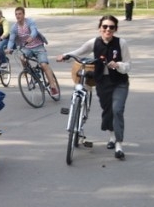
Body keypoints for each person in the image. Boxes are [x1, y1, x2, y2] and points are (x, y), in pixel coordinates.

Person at [56, 15, 131, 160]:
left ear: (115, 29)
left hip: (119, 82)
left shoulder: (121, 43)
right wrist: (65, 55)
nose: (107, 29)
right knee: (108, 110)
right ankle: (111, 135)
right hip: (102, 81)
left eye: (111, 27)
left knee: (117, 110)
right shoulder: (94, 42)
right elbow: (79, 52)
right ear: (100, 28)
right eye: (105, 27)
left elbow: (128, 64)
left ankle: (118, 145)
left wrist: (118, 65)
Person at [6, 6, 59, 96]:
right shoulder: (14, 27)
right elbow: (11, 40)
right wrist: (8, 48)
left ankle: (53, 87)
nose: (18, 16)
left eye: (19, 14)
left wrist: (31, 37)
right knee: (22, 57)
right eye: (16, 14)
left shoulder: (29, 22)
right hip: (27, 48)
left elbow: (34, 31)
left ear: (23, 14)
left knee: (43, 65)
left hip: (38, 46)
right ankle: (31, 73)